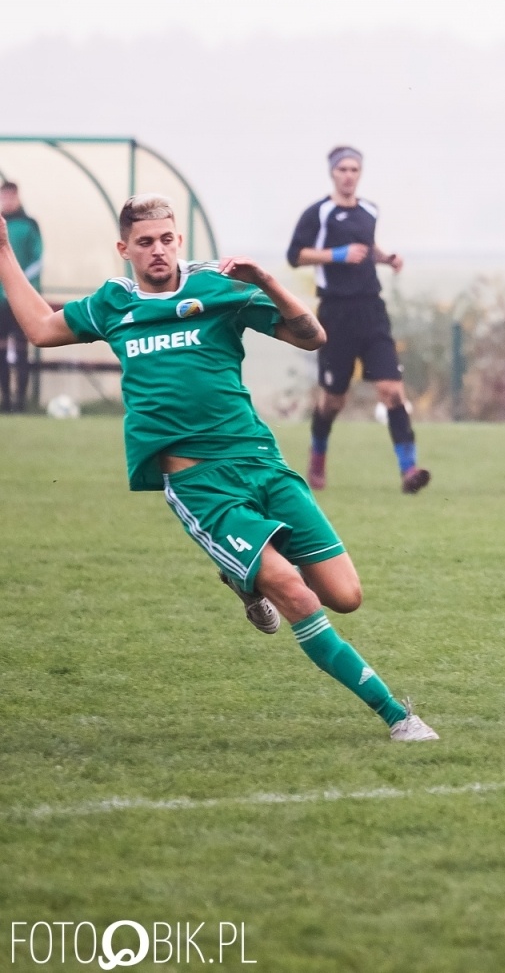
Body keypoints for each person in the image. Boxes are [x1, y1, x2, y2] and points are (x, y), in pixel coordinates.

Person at [0, 193, 436, 741]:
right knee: (297, 596)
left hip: (261, 462)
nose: (157, 250)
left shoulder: (218, 286)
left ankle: (240, 574)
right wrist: (2, 252)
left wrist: (266, 282)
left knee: (345, 597)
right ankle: (397, 716)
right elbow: (41, 327)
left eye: (165, 239)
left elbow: (313, 337)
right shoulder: (114, 303)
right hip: (198, 483)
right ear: (124, 249)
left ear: (178, 239)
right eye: (144, 243)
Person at [288, 146, 429, 493]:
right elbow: (295, 255)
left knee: (392, 391)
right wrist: (337, 255)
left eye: (354, 170)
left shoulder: (369, 210)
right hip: (335, 313)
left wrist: (386, 258)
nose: (349, 175)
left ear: (360, 173)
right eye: (343, 170)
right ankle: (317, 456)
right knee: (333, 399)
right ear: (333, 173)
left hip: (372, 310)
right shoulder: (318, 213)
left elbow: (367, 247)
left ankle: (409, 471)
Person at [0, 181, 43, 413]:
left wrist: (19, 282)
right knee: (1, 352)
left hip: (21, 298)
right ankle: (5, 402)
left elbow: (38, 261)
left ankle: (21, 403)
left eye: (10, 197)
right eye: (2, 197)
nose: (6, 201)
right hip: (0, 303)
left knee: (21, 349)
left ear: (17, 197)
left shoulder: (29, 225)